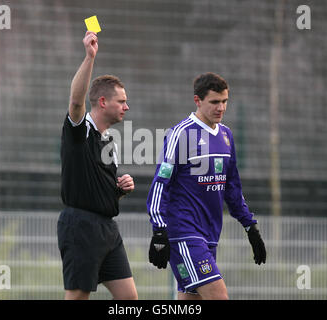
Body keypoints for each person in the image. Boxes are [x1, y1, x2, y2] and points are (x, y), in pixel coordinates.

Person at [146, 72, 266, 300]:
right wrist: (159, 230)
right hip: (184, 232)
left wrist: (250, 227)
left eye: (224, 101)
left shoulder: (226, 135)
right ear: (197, 101)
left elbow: (232, 188)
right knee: (218, 296)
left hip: (210, 234)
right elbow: (160, 183)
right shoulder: (181, 134)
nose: (220, 108)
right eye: (214, 102)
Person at [57, 31, 138, 300]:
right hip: (80, 226)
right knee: (78, 297)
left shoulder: (108, 142)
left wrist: (119, 189)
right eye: (122, 101)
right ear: (103, 102)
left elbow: (98, 186)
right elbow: (76, 101)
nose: (127, 106)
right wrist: (90, 57)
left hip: (107, 229)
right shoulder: (79, 130)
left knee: (129, 299)